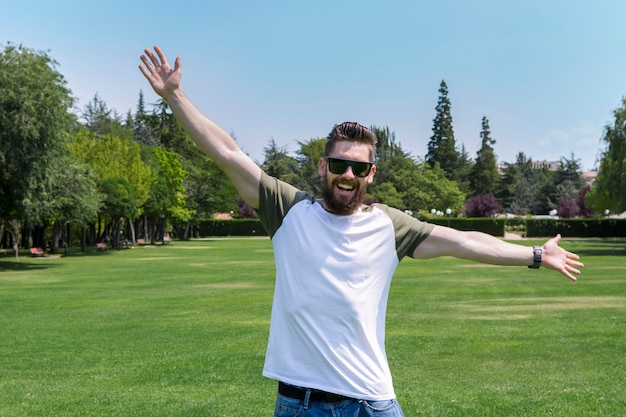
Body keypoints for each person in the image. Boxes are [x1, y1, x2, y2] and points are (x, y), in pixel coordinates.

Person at [139, 46, 584, 417]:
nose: (347, 173)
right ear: (323, 166)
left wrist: (537, 255)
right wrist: (175, 96)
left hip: (370, 404)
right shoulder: (288, 210)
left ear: (371, 173)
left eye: (358, 166)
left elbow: (465, 241)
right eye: (338, 164)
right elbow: (228, 153)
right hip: (299, 404)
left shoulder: (390, 226)